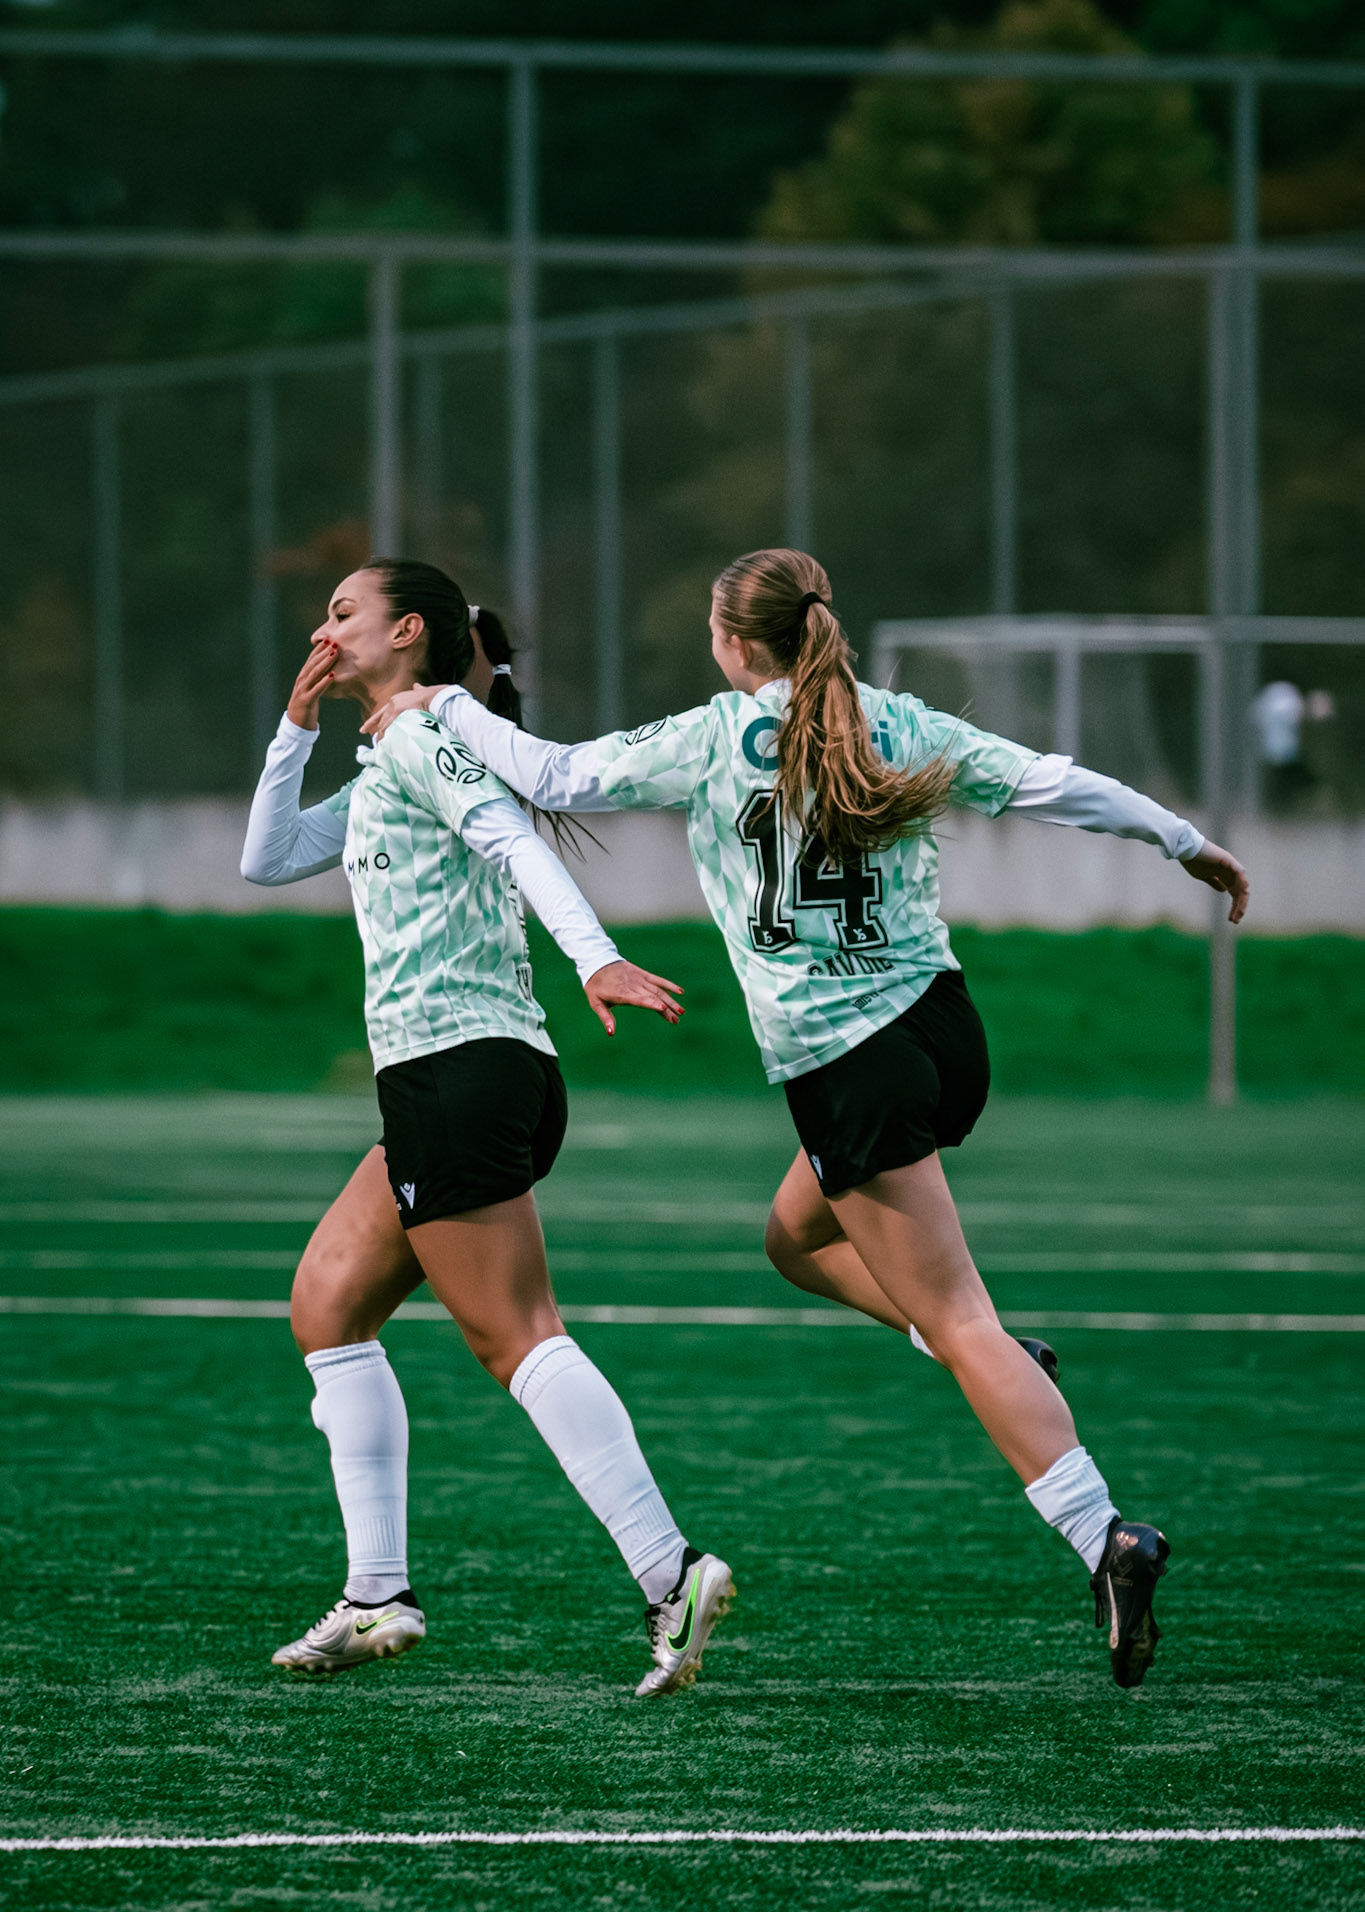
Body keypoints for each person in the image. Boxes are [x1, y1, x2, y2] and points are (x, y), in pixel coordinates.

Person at [367, 547, 1251, 1691]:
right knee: (794, 1238)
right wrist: (1185, 838)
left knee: (960, 1310)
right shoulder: (891, 716)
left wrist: (443, 702)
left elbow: (560, 770)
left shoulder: (709, 735)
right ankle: (975, 1352)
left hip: (849, 1064)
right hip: (943, 1028)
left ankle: (1104, 1534)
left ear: (737, 643)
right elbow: (1044, 777)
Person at [241, 558, 734, 1697]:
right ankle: (376, 1596)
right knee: (327, 1301)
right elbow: (264, 858)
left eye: (344, 612)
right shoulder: (381, 760)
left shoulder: (421, 738)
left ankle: (673, 1573)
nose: (324, 626)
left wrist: (596, 955)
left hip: (463, 1070)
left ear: (408, 632)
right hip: (453, 1077)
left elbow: (515, 841)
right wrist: (294, 722)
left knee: (515, 1336)